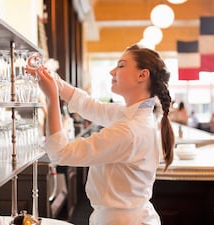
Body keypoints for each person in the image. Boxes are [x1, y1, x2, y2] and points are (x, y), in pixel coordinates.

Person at [26, 44, 175, 225]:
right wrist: (53, 80)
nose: (112, 71)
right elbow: (90, 106)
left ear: (142, 75)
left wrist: (51, 98)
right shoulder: (133, 115)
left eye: (121, 66)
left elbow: (61, 152)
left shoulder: (129, 131)